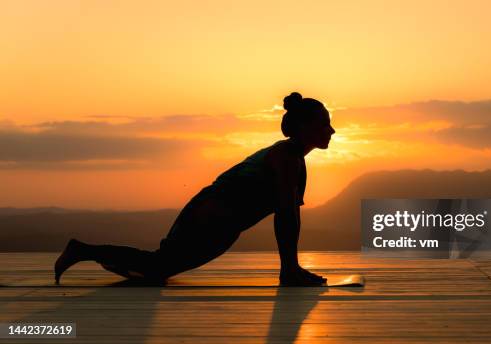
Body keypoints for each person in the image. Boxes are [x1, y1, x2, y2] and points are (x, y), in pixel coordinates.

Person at [54, 92, 335, 286]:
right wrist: (290, 271)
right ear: (304, 127)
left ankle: (102, 256)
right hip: (210, 217)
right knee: (157, 267)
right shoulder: (286, 159)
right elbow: (285, 217)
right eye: (325, 124)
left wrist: (291, 270)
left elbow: (289, 217)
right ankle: (82, 250)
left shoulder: (292, 159)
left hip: (217, 220)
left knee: (158, 269)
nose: (331, 131)